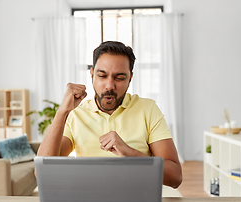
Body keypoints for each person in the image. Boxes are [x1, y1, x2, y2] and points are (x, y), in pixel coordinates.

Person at [37, 41, 182, 188]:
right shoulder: (75, 115)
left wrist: (130, 154)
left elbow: (175, 177)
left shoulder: (148, 109)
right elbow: (42, 171)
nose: (109, 86)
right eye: (102, 75)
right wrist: (62, 112)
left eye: (119, 78)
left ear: (130, 78)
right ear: (92, 74)